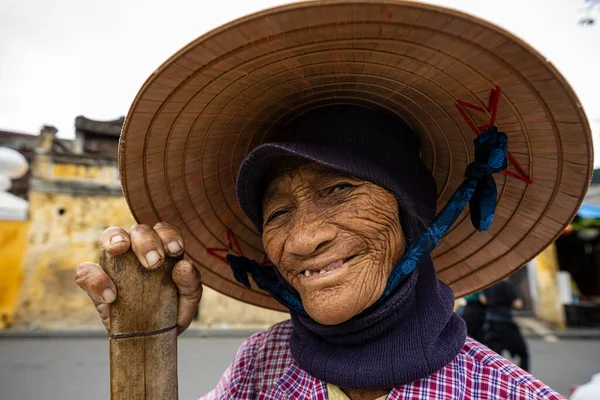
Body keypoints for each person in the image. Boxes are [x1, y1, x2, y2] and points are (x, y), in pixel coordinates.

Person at [75, 1, 593, 399]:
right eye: (277, 212)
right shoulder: (262, 364)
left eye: (341, 190)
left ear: (412, 217)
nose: (301, 239)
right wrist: (145, 334)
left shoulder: (507, 391)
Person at [481, 280, 530, 371]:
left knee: (495, 359)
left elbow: (483, 300)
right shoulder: (506, 284)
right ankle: (524, 381)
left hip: (491, 324)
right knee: (523, 353)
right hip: (507, 324)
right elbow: (517, 304)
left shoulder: (488, 284)